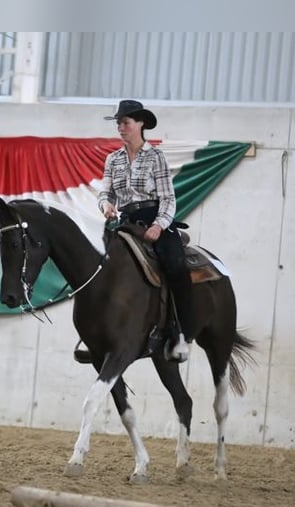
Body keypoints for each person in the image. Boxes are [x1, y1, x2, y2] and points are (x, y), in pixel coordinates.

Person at [98, 99, 194, 362]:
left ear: (140, 124)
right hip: (126, 221)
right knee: (98, 264)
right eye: (118, 122)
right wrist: (106, 204)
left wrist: (159, 225)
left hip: (154, 218)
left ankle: (184, 332)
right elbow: (105, 193)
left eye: (125, 122)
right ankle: (98, 331)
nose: (120, 127)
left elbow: (168, 198)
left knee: (175, 265)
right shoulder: (112, 159)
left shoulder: (155, 157)